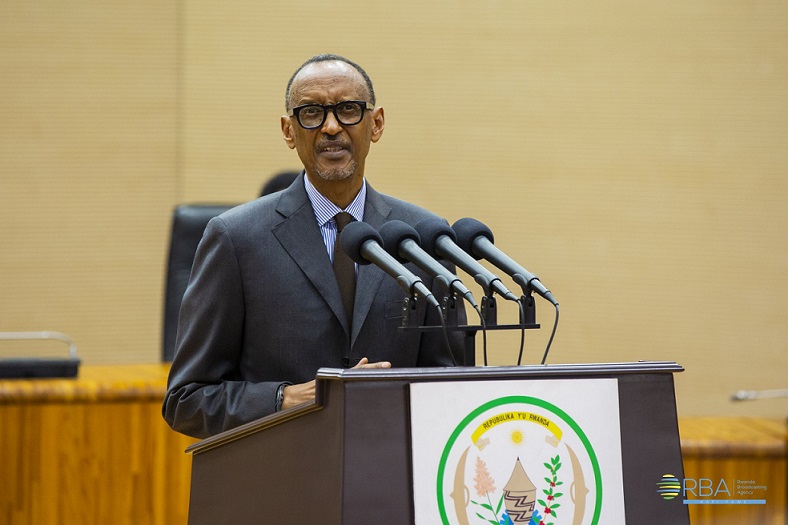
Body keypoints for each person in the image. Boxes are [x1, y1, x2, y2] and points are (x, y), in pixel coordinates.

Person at [163, 54, 466, 438]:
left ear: (376, 124)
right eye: (311, 113)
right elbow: (186, 400)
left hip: (392, 464)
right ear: (289, 131)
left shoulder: (422, 238)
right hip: (285, 467)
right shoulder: (236, 239)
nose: (331, 127)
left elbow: (452, 384)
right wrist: (286, 399)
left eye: (348, 109)